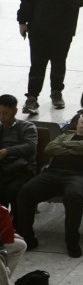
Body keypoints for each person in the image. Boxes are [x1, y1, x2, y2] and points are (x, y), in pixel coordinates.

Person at [16, 110, 83, 257]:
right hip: (53, 173)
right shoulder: (64, 136)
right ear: (77, 122)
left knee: (73, 196)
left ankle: (72, 242)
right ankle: (27, 237)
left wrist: (66, 147)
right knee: (26, 192)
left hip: (79, 176)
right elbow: (49, 149)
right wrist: (79, 148)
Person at [0, 94, 37, 223]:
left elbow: (30, 147)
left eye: (5, 113)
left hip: (23, 170)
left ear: (15, 111)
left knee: (14, 191)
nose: (2, 117)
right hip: (3, 170)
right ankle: (4, 228)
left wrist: (7, 151)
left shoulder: (27, 127)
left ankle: (18, 228)